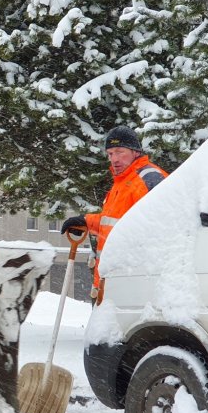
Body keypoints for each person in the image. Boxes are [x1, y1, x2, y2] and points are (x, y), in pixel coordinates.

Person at [61, 126, 168, 299]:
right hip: (110, 283)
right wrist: (87, 221)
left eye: (120, 151)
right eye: (110, 154)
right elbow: (113, 222)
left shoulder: (148, 180)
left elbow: (162, 229)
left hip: (132, 282)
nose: (114, 159)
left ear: (135, 152)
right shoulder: (122, 182)